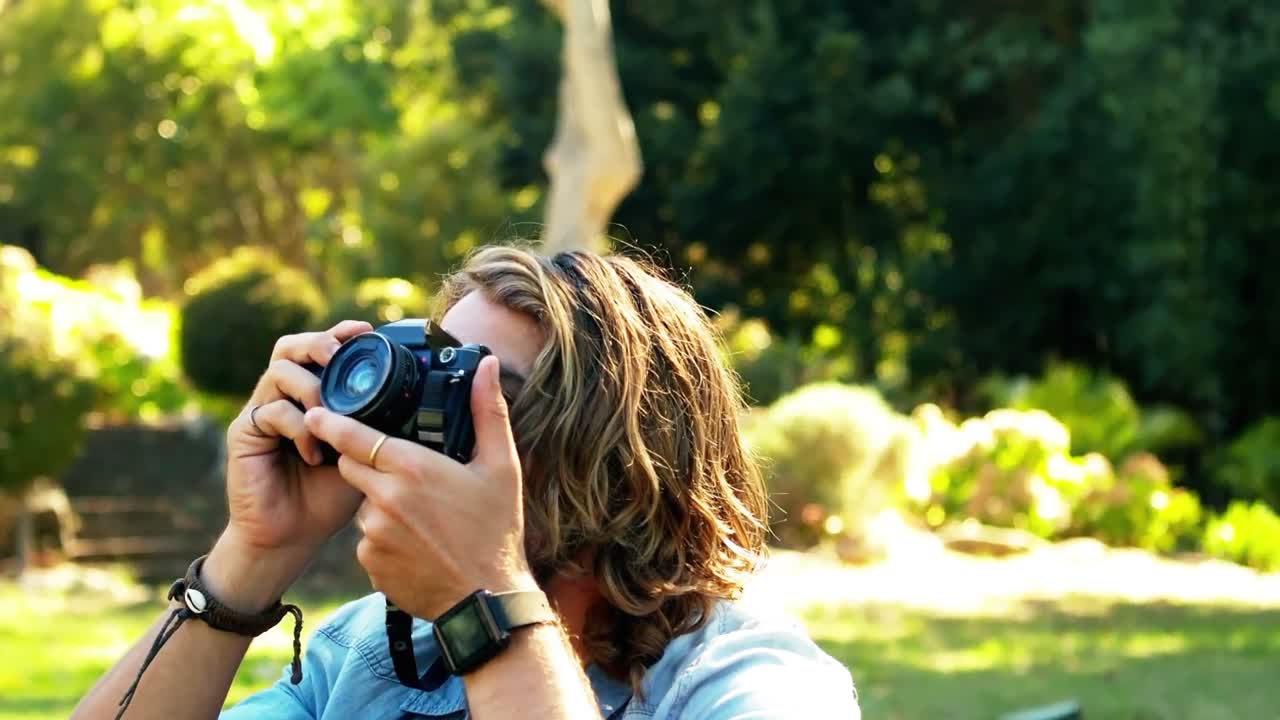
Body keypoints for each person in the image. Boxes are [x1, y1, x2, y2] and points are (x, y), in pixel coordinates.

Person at [73, 246, 859, 719]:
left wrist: (486, 606)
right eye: (427, 375)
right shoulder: (369, 656)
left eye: (483, 394)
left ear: (624, 460)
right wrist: (252, 557)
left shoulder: (751, 683)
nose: (424, 429)